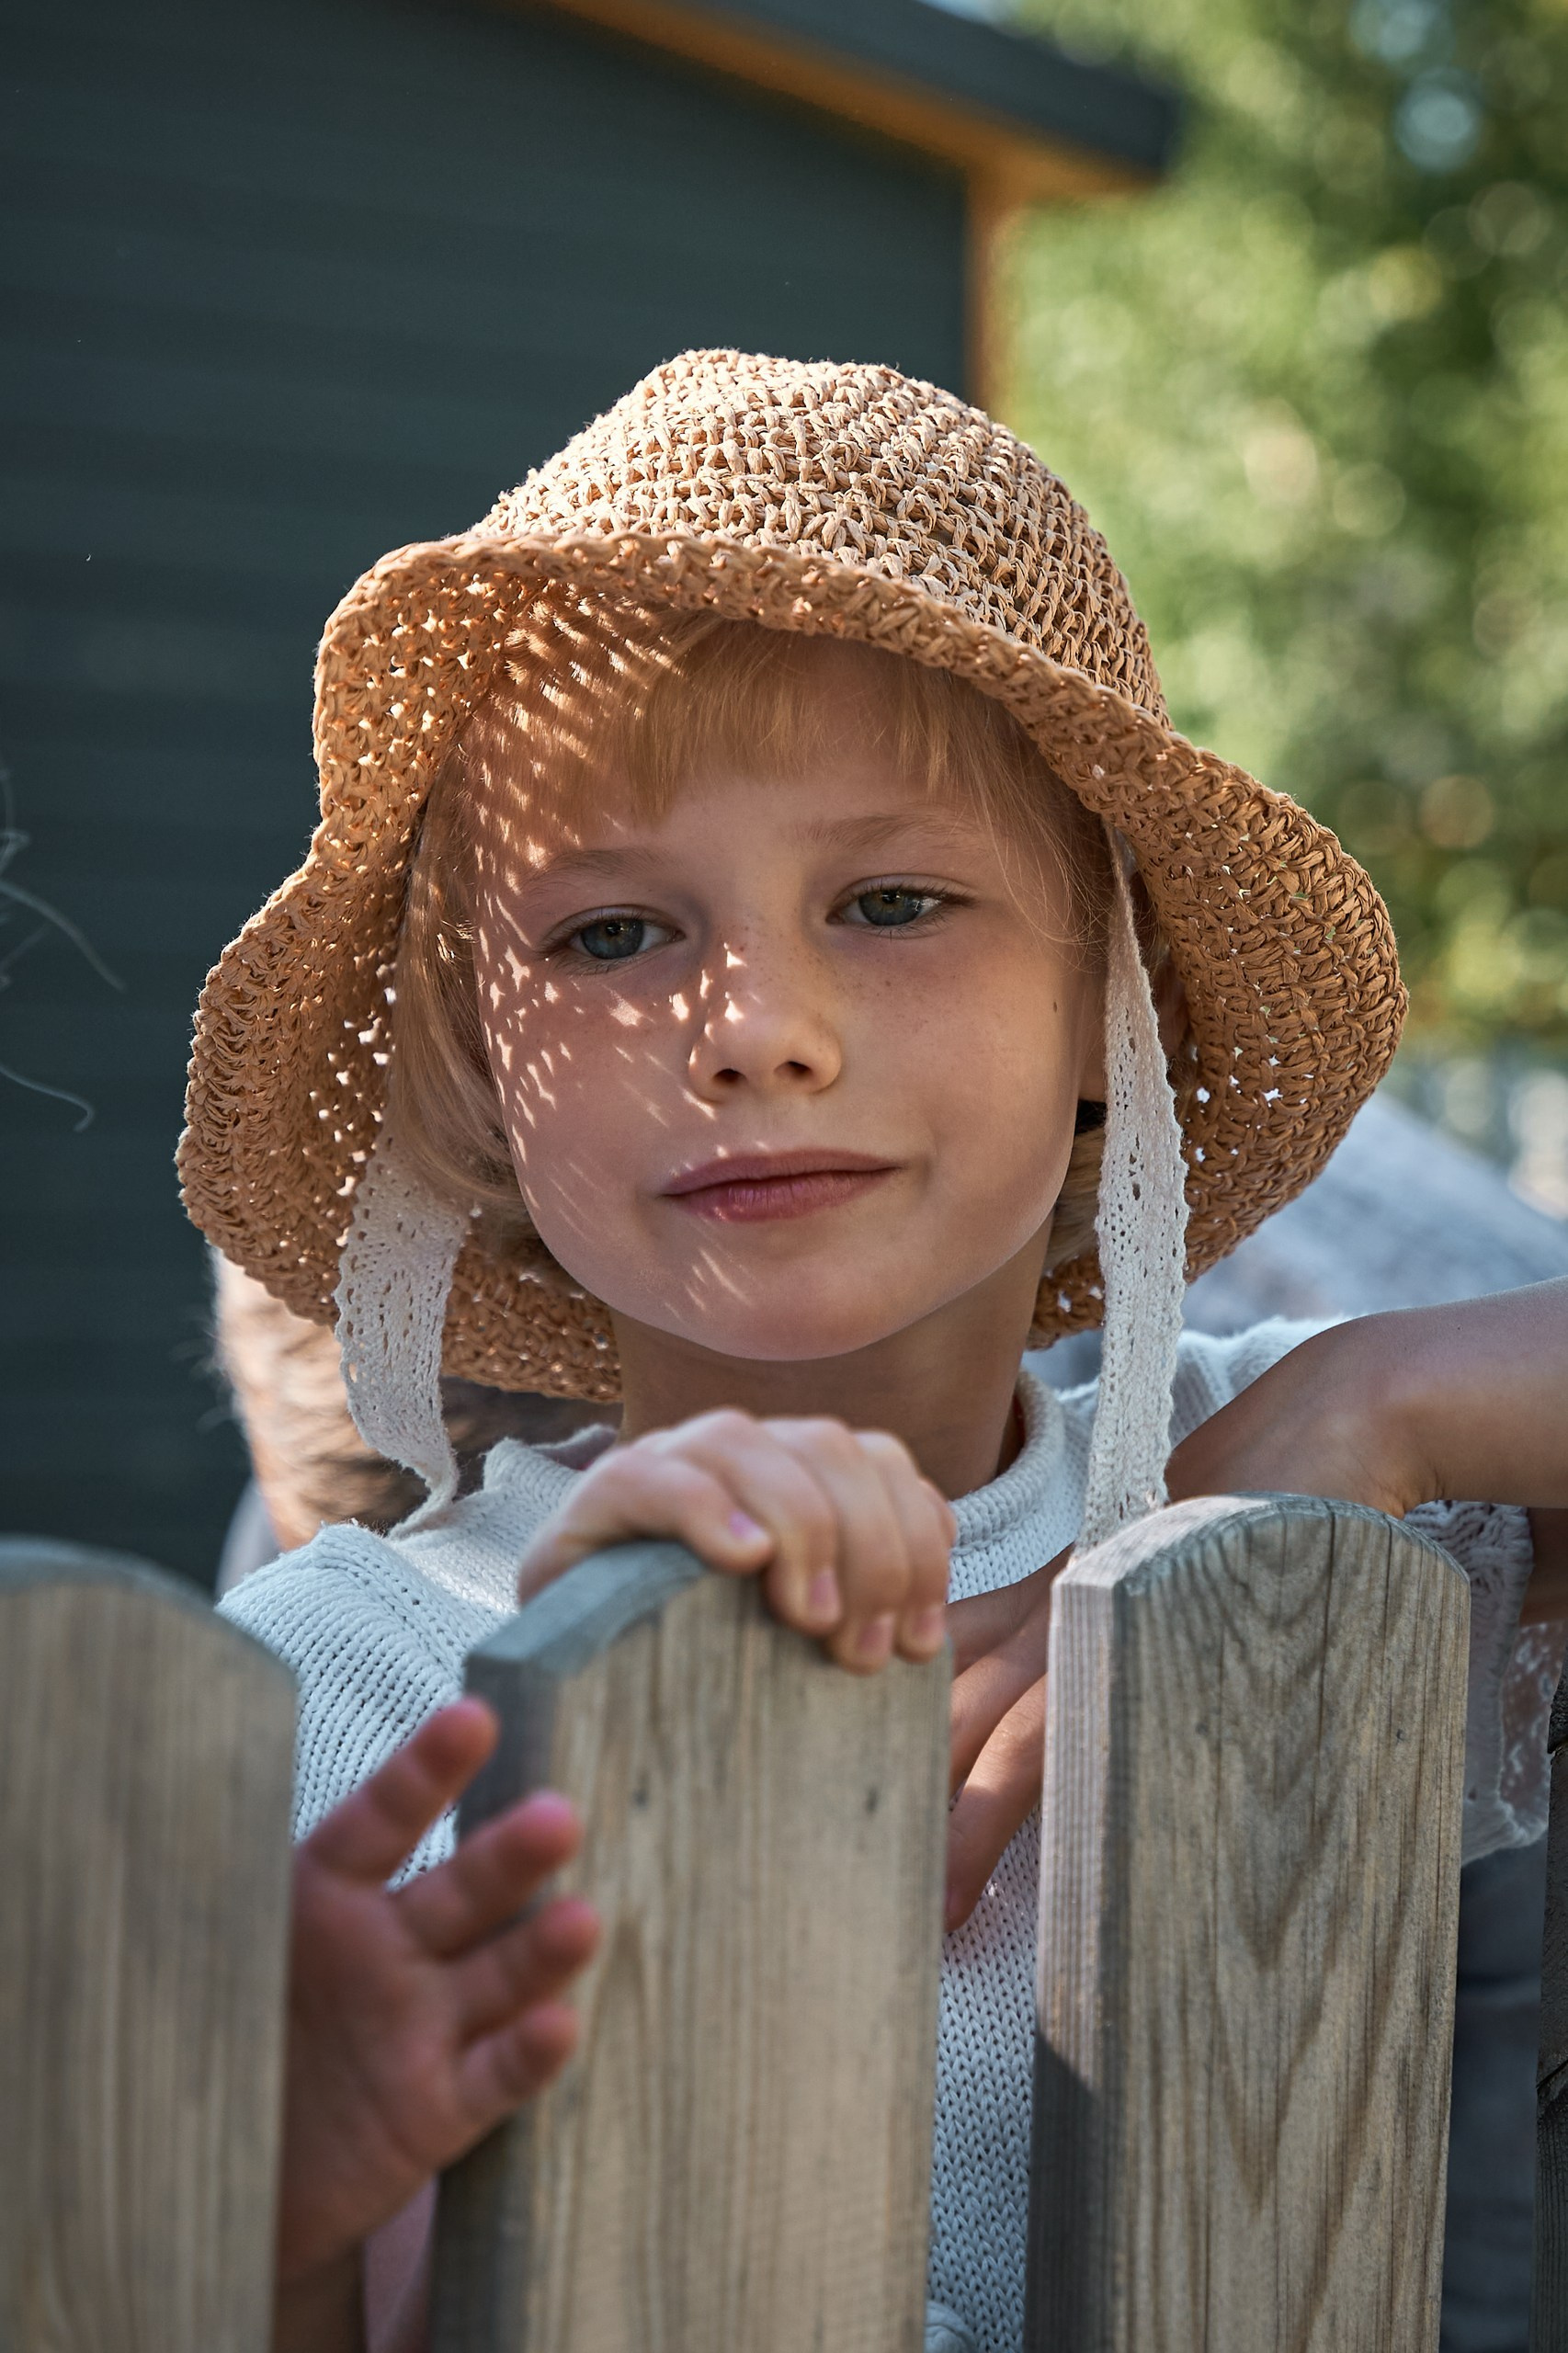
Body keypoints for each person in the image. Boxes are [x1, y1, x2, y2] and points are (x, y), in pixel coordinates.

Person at [180, 350, 1568, 2353]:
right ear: (484, 1077)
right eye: (611, 935)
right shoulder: (338, 1689)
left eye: (894, 898)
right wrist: (306, 2201)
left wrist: (1377, 1396)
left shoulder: (1338, 1511)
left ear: (1115, 1008)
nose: (756, 1023)